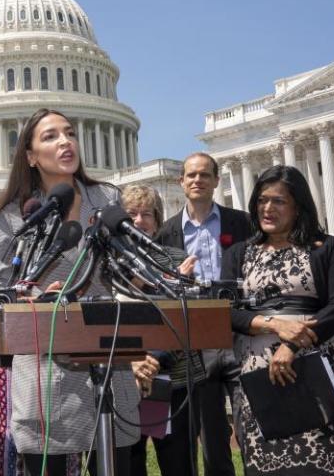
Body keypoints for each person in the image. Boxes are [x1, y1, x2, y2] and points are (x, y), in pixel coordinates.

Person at [0, 108, 141, 476]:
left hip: (108, 358)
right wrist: (30, 298)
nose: (65, 141)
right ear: (30, 155)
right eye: (51, 136)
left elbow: (127, 270)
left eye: (69, 133)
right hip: (44, 368)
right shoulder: (13, 216)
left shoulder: (106, 200)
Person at [221, 165, 334, 475]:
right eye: (262, 200)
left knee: (328, 460)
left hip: (321, 365)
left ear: (298, 206)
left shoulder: (326, 248)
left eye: (278, 201)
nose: (267, 208)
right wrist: (273, 325)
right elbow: (225, 310)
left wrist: (290, 345)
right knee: (273, 462)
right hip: (261, 371)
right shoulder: (239, 254)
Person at [152, 152, 250, 476]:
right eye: (191, 175)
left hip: (239, 336)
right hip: (197, 342)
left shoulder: (241, 224)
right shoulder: (165, 234)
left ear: (216, 181)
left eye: (204, 175)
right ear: (181, 182)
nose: (197, 180)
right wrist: (174, 280)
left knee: (252, 428)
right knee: (212, 436)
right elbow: (156, 291)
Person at [121, 184, 196, 476]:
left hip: (171, 378)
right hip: (123, 381)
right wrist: (133, 358)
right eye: (131, 214)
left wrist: (151, 357)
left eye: (147, 214)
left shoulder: (177, 260)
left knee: (178, 464)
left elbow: (186, 319)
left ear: (157, 220)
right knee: (130, 463)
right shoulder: (104, 266)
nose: (139, 221)